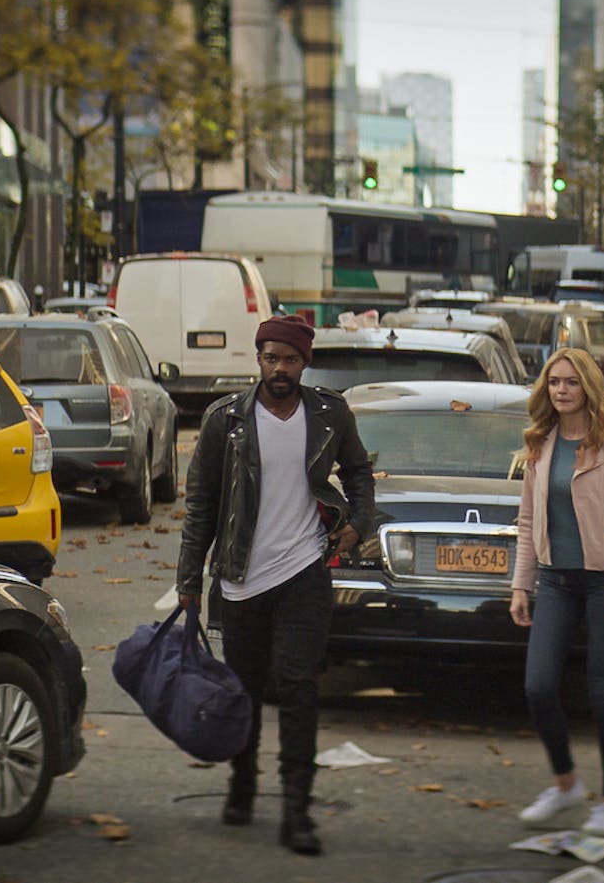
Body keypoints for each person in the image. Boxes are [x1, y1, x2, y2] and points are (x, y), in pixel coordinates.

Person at [176, 315, 375, 856]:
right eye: (270, 358)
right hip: (242, 577)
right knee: (245, 690)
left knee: (299, 687)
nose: (279, 369)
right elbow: (201, 505)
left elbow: (359, 473)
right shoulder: (225, 419)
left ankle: (296, 810)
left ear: (304, 363)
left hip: (305, 572)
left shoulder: (329, 414)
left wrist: (359, 523)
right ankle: (242, 784)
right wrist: (189, 578)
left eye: (289, 359)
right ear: (258, 359)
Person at [509, 347, 604, 837]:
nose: (562, 390)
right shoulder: (541, 440)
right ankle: (566, 783)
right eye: (554, 382)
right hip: (555, 580)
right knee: (537, 686)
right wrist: (521, 583)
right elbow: (528, 520)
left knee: (603, 693)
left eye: (571, 382)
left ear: (588, 387)